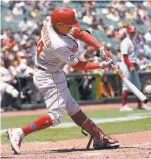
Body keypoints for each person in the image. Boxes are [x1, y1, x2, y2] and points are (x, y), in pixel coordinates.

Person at [7, 7, 120, 155]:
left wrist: (100, 47)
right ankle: (20, 132)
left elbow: (79, 32)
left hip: (52, 72)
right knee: (55, 117)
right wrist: (102, 64)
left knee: (73, 108)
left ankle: (99, 137)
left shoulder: (51, 24)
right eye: (68, 24)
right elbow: (78, 65)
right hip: (49, 76)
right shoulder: (57, 43)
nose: (72, 27)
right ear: (59, 24)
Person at [119, 25, 151, 111]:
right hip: (126, 65)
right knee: (126, 86)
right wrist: (131, 65)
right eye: (131, 32)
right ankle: (123, 105)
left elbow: (133, 56)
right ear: (128, 32)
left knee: (137, 86)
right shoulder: (125, 42)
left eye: (133, 32)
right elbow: (125, 56)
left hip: (132, 65)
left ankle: (140, 104)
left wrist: (135, 65)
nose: (132, 33)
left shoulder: (132, 41)